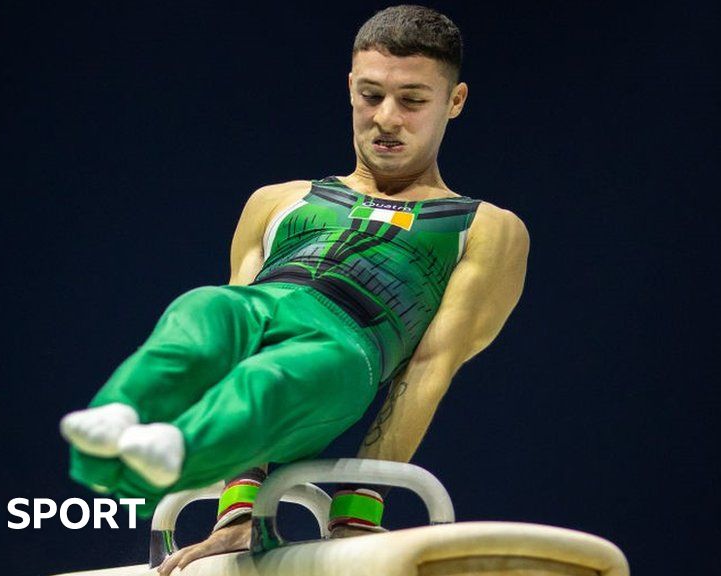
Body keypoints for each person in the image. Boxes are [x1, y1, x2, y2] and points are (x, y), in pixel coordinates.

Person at [58, 5, 529, 573]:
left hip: (347, 346)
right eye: (371, 94)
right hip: (266, 305)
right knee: (203, 309)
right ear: (349, 87)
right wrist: (236, 513)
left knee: (274, 378)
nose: (386, 118)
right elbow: (228, 354)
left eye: (412, 100)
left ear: (454, 102)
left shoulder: (481, 226)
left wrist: (357, 509)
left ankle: (180, 450)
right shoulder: (277, 200)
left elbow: (429, 369)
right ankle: (121, 413)